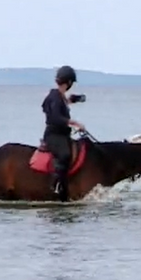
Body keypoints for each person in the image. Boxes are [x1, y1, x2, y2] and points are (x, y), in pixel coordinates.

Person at [41, 65, 86, 201]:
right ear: (69, 82)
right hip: (53, 136)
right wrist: (74, 123)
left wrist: (76, 100)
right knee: (65, 154)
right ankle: (58, 185)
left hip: (61, 134)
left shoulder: (57, 96)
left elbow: (64, 102)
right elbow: (54, 117)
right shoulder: (55, 96)